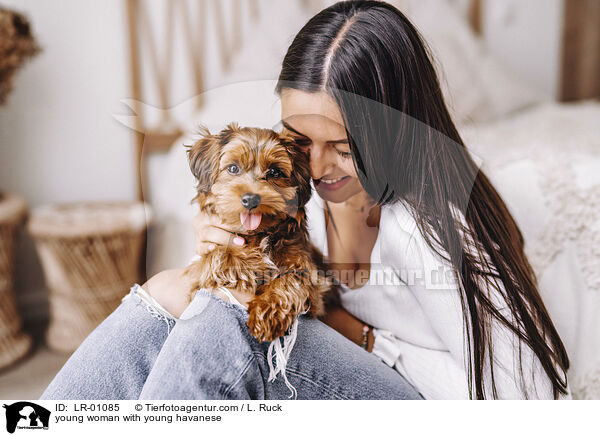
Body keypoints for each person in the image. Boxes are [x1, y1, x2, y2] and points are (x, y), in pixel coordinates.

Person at [40, 0, 570, 400]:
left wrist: (364, 339)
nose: (314, 169)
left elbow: (526, 403)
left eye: (343, 147)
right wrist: (189, 278)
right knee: (161, 311)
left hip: (426, 406)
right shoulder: (293, 194)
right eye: (299, 140)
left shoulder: (427, 228)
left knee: (230, 322)